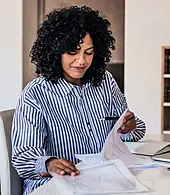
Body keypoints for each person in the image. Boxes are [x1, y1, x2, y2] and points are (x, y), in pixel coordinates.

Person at [11, 5, 146, 195]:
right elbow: (23, 158)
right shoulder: (35, 94)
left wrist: (129, 126)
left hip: (103, 182)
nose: (82, 61)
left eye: (88, 52)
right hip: (53, 186)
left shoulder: (105, 81)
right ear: (55, 51)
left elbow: (129, 134)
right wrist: (49, 164)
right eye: (72, 52)